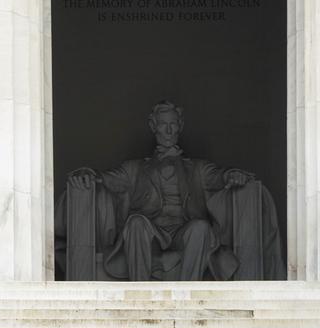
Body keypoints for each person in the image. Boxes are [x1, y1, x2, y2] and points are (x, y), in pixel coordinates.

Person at [66, 100, 283, 281]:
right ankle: (141, 293)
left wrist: (231, 175)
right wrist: (86, 173)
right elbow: (106, 179)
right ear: (153, 126)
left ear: (180, 125)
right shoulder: (134, 168)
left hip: (183, 231)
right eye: (163, 124)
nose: (168, 130)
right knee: (136, 222)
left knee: (201, 227)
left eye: (173, 124)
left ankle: (188, 292)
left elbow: (218, 176)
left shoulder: (197, 168)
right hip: (150, 232)